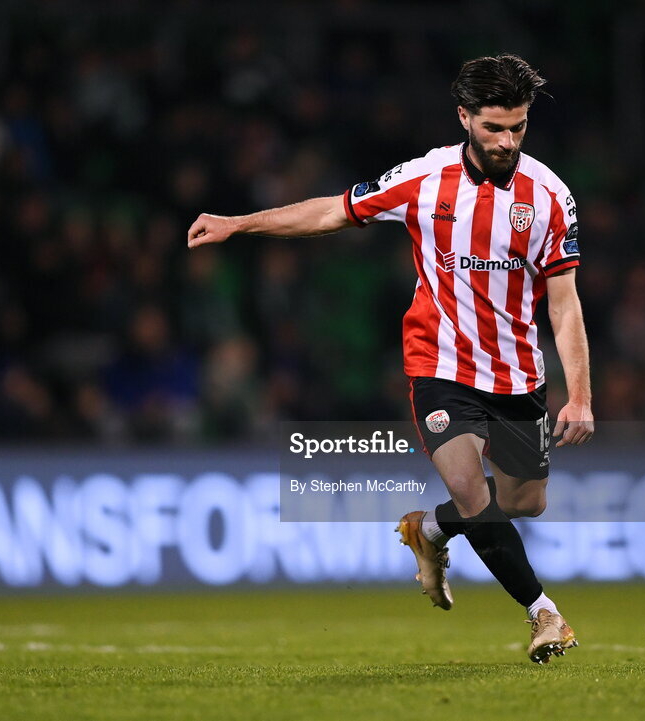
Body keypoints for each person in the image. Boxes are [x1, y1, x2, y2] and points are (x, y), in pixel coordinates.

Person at [187, 54, 594, 664]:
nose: (507, 140)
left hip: (517, 374)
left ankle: (429, 529)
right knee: (470, 490)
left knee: (523, 501)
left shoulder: (549, 197)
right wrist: (241, 223)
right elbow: (332, 211)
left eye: (518, 127)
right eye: (493, 127)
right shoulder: (424, 179)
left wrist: (581, 393)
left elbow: (563, 304)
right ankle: (545, 615)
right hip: (439, 366)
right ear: (464, 117)